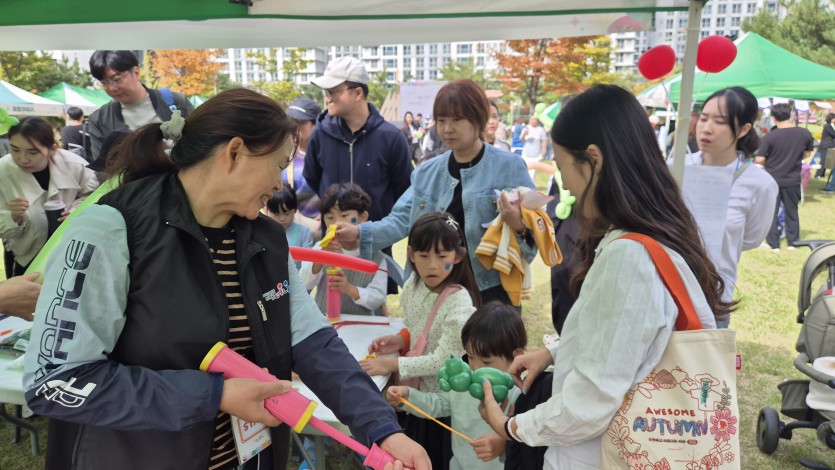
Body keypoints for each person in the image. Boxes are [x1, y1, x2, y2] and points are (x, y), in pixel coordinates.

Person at [22, 88, 429, 470]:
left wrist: (383, 429)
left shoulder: (266, 239)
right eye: (278, 165)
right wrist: (214, 396)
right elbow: (57, 380)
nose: (279, 184)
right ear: (234, 152)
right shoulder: (112, 228)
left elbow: (312, 341)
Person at [476, 85, 725, 469]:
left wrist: (510, 426)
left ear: (593, 159)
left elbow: (590, 401)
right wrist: (554, 353)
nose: (564, 183)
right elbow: (624, 340)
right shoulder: (648, 237)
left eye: (563, 166)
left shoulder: (629, 257)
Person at [335, 79, 536, 305]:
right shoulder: (426, 172)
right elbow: (399, 220)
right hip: (434, 293)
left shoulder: (509, 166)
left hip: (490, 292)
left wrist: (519, 224)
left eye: (457, 120)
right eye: (441, 120)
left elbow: (537, 231)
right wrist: (359, 232)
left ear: (478, 119)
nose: (447, 129)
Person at [360, 212, 480, 470]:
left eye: (442, 256)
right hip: (410, 398)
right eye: (424, 256)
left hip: (438, 406)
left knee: (431, 459)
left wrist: (391, 365)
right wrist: (399, 340)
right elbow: (417, 327)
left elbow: (442, 361)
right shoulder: (414, 283)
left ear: (458, 256)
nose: (432, 265)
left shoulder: (459, 303)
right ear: (411, 254)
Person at [386, 301, 527, 470]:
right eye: (471, 357)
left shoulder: (521, 395)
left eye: (486, 362)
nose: (475, 368)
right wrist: (408, 397)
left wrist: (503, 444)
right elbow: (439, 404)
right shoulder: (462, 383)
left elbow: (532, 438)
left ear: (517, 356)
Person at [685, 87, 778, 328]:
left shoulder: (760, 184)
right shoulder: (676, 168)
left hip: (713, 298)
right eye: (704, 118)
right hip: (664, 290)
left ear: (744, 129)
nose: (706, 128)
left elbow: (751, 239)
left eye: (719, 122)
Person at [304, 56, 412, 226]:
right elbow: (312, 178)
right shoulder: (320, 134)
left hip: (376, 238)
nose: (327, 98)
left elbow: (405, 190)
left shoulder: (391, 138)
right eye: (326, 93)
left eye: (332, 92)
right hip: (332, 238)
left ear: (358, 93)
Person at [0, 116, 99, 277]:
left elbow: (94, 196)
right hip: (25, 255)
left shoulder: (75, 165)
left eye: (33, 152)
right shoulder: (3, 172)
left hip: (69, 251)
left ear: (53, 149)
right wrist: (13, 217)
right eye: (15, 150)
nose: (23, 159)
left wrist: (77, 210)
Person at [87, 50, 194, 162]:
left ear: (136, 72)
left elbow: (202, 141)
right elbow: (102, 168)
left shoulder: (176, 102)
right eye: (104, 83)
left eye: (116, 79)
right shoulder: (99, 120)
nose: (112, 88)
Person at [300, 183, 388, 316]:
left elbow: (378, 297)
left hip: (360, 323)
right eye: (330, 217)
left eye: (344, 215)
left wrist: (349, 288)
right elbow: (303, 283)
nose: (337, 223)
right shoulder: (321, 248)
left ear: (363, 217)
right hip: (324, 320)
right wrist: (321, 257)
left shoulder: (375, 255)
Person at [755, 103, 814, 250]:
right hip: (793, 179)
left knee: (771, 212)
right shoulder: (804, 133)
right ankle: (793, 242)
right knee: (792, 211)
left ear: (774, 118)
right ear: (790, 114)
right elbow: (807, 154)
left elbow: (759, 159)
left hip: (773, 179)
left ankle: (773, 244)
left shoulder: (771, 136)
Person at [283, 97, 323, 241]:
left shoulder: (325, 155)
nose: (295, 127)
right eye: (292, 121)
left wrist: (329, 213)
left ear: (315, 124)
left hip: (317, 229)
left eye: (301, 122)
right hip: (288, 227)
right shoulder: (284, 153)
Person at [264, 186, 314, 266]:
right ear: (267, 211)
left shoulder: (303, 232)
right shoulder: (264, 231)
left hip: (298, 272)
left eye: (286, 214)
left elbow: (308, 260)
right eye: (276, 214)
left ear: (295, 210)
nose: (282, 218)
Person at [818, 112, 835, 185]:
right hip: (825, 145)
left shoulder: (832, 125)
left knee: (826, 161)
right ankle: (818, 174)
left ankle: (822, 174)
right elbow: (833, 134)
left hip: (830, 145)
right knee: (823, 161)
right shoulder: (827, 126)